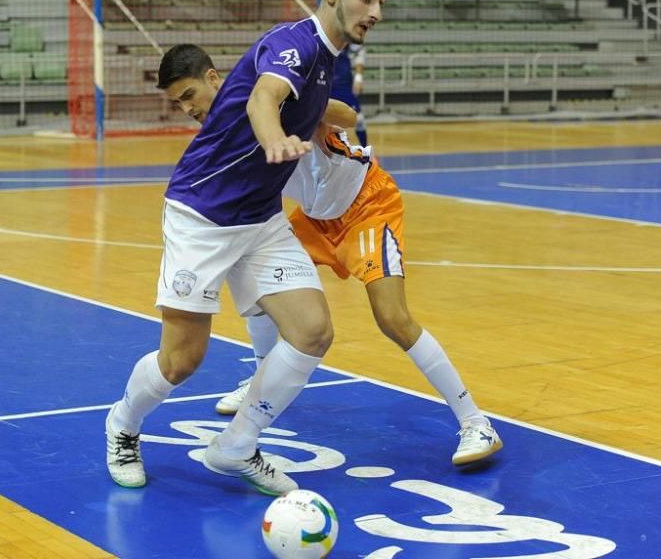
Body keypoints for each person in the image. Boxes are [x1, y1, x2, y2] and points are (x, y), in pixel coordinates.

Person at [105, 0, 392, 497]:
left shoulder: (326, 57)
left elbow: (308, 102)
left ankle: (235, 447)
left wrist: (337, 117)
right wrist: (275, 139)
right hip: (202, 215)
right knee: (183, 359)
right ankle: (122, 425)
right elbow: (266, 98)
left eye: (381, 0)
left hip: (259, 218)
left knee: (312, 332)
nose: (375, 10)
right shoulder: (295, 42)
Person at [164, 44, 503, 467]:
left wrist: (315, 112)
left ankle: (475, 421)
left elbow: (348, 117)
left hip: (364, 205)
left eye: (189, 96)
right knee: (259, 281)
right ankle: (261, 379)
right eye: (177, 103)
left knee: (392, 318)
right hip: (316, 218)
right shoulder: (220, 132)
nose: (186, 109)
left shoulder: (271, 92)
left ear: (213, 79)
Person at [332, 42, 369, 146]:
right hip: (325, 83)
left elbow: (360, 52)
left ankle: (365, 150)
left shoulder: (347, 36)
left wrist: (358, 79)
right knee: (323, 122)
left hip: (344, 85)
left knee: (359, 120)